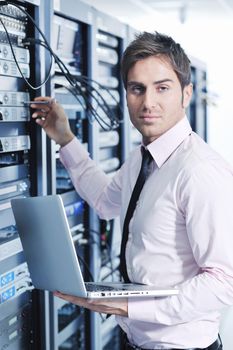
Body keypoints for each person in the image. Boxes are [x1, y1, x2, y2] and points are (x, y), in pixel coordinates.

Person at [30, 31, 233, 350]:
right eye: (137, 89)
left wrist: (127, 305)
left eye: (162, 88)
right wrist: (66, 139)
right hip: (133, 340)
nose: (148, 102)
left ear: (186, 93)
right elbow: (105, 201)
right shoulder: (142, 159)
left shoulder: (200, 171)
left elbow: (225, 282)